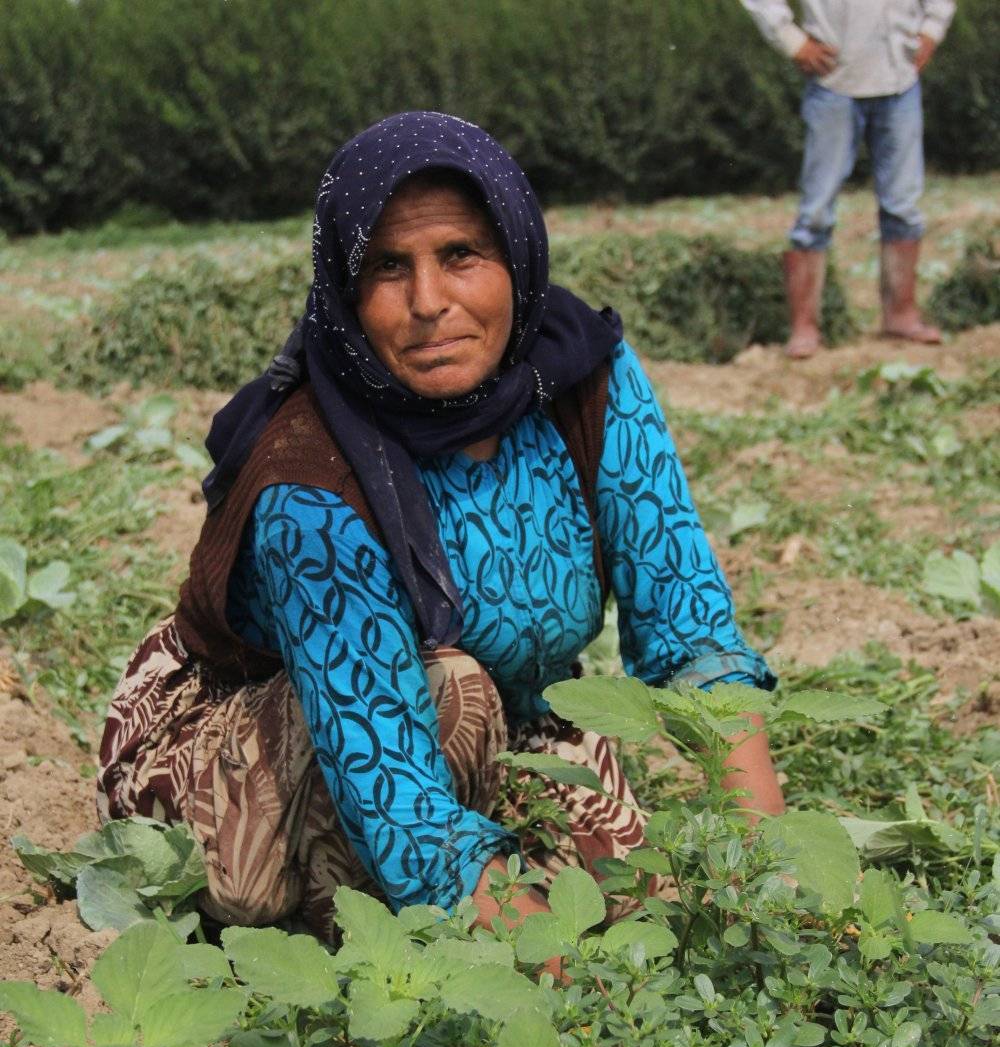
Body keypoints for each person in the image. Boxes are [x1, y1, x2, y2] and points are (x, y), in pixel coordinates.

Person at [97, 111, 784, 950]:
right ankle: (331, 905)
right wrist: (579, 997)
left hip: (516, 720)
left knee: (640, 894)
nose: (429, 302)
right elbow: (397, 795)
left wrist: (768, 878)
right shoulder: (309, 479)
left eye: (461, 254)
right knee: (446, 701)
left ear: (516, 256)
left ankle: (491, 852)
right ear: (345, 289)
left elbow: (691, 629)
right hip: (252, 730)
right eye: (388, 266)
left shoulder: (584, 377)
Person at [740, 1, 955, 357]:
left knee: (903, 205)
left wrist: (933, 28)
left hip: (899, 78)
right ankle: (804, 327)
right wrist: (792, 40)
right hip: (833, 82)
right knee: (816, 212)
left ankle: (901, 314)